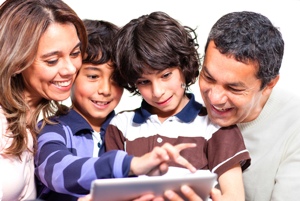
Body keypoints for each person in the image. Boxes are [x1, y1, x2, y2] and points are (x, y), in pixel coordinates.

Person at [34, 19, 197, 201]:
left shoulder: (127, 130)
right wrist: (129, 164)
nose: (105, 89)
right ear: (72, 73)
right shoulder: (52, 128)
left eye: (116, 80)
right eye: (93, 76)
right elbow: (57, 171)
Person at [105, 11, 251, 201]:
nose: (157, 92)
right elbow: (111, 191)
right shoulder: (120, 125)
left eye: (166, 75)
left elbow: (234, 197)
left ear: (183, 66)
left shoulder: (216, 126)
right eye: (144, 82)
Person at [165, 10, 300, 201]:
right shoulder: (184, 112)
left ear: (269, 85)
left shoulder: (295, 128)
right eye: (208, 77)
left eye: (234, 88)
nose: (215, 98)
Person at [0, 0, 87, 200]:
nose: (70, 69)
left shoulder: (38, 127)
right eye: (52, 60)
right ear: (15, 62)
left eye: (75, 53)